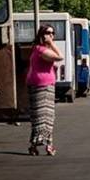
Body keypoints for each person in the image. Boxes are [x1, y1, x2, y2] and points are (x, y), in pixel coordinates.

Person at [26, 25, 64, 156]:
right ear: (42, 35)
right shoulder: (40, 50)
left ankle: (44, 144)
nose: (52, 35)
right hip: (41, 86)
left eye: (53, 33)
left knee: (47, 117)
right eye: (48, 33)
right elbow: (60, 57)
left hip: (46, 85)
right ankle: (41, 145)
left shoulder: (40, 49)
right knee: (40, 116)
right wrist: (52, 43)